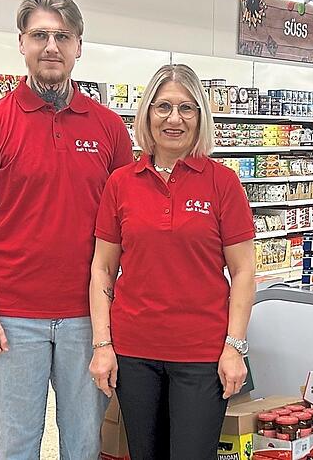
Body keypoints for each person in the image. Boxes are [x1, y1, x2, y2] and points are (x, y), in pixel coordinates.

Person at [0, 0, 134, 460]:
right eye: (40, 35)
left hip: (88, 319)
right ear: (21, 43)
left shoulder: (109, 127)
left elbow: (125, 227)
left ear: (78, 46)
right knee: (15, 445)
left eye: (62, 36)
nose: (51, 46)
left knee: (83, 444)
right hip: (13, 315)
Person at [88, 64, 257, 459]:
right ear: (147, 114)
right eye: (163, 107)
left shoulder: (223, 182)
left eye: (187, 108)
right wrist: (102, 344)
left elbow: (244, 270)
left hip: (202, 352)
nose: (174, 119)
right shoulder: (121, 183)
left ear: (201, 117)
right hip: (135, 352)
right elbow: (102, 268)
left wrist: (234, 347)